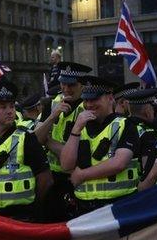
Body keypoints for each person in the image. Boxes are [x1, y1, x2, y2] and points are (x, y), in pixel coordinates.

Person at [0, 78, 52, 221]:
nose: (9, 111)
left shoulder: (26, 139)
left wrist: (33, 206)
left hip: (20, 217)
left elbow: (46, 179)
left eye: (12, 106)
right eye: (3, 107)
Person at [60, 76, 140, 215]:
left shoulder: (125, 124)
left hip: (118, 205)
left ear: (110, 98)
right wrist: (76, 130)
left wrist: (83, 175)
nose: (89, 104)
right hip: (84, 207)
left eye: (94, 99)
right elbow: (66, 165)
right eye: (86, 100)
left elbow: (119, 163)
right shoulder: (78, 126)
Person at [35, 61, 92, 221]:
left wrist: (48, 142)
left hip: (75, 177)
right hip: (52, 178)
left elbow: (74, 156)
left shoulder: (88, 108)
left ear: (82, 85)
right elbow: (35, 140)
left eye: (71, 85)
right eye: (63, 84)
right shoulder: (53, 103)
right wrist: (52, 116)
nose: (66, 89)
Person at [124, 89, 157, 173]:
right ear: (147, 110)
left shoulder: (123, 125)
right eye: (153, 108)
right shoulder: (148, 132)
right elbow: (148, 167)